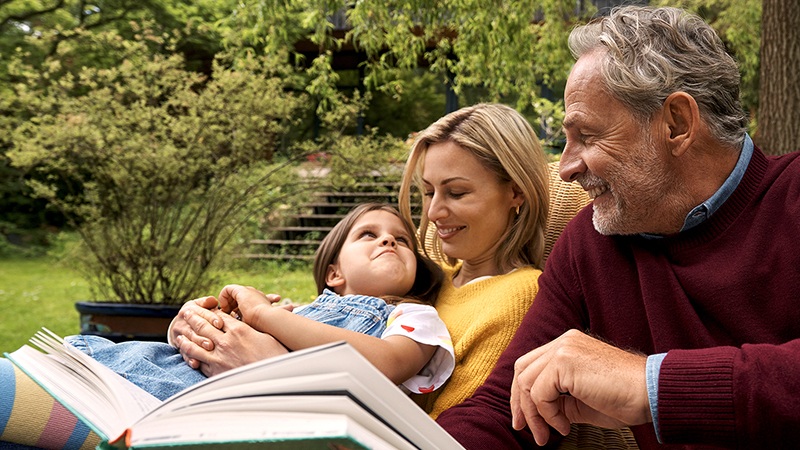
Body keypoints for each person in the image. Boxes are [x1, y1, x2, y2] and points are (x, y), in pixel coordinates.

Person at [435, 5, 800, 450]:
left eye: (587, 137)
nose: (564, 168)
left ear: (677, 123)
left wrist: (651, 384)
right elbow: (503, 409)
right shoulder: (589, 244)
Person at [0, 203, 455, 448]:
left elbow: (386, 363)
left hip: (195, 414)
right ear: (334, 274)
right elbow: (214, 342)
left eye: (401, 240)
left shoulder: (413, 317)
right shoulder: (298, 309)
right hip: (141, 377)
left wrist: (261, 316)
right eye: (368, 235)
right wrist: (196, 324)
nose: (389, 240)